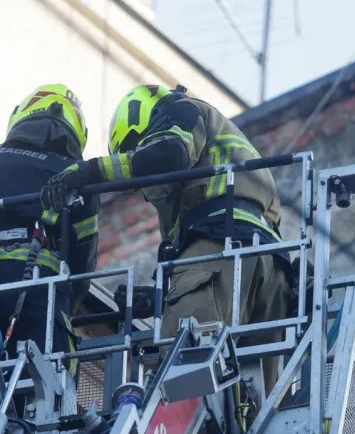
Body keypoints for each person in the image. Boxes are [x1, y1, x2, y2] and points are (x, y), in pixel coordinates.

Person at [39, 84, 290, 395]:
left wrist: (89, 172)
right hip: (269, 262)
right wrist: (159, 296)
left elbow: (165, 156)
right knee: (252, 400)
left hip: (221, 247)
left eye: (137, 147)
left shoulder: (178, 109)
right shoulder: (224, 154)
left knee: (181, 375)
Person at [0, 84, 98, 371]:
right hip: (40, 291)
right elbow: (83, 262)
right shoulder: (77, 177)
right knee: (52, 384)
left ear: (21, 116)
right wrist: (66, 303)